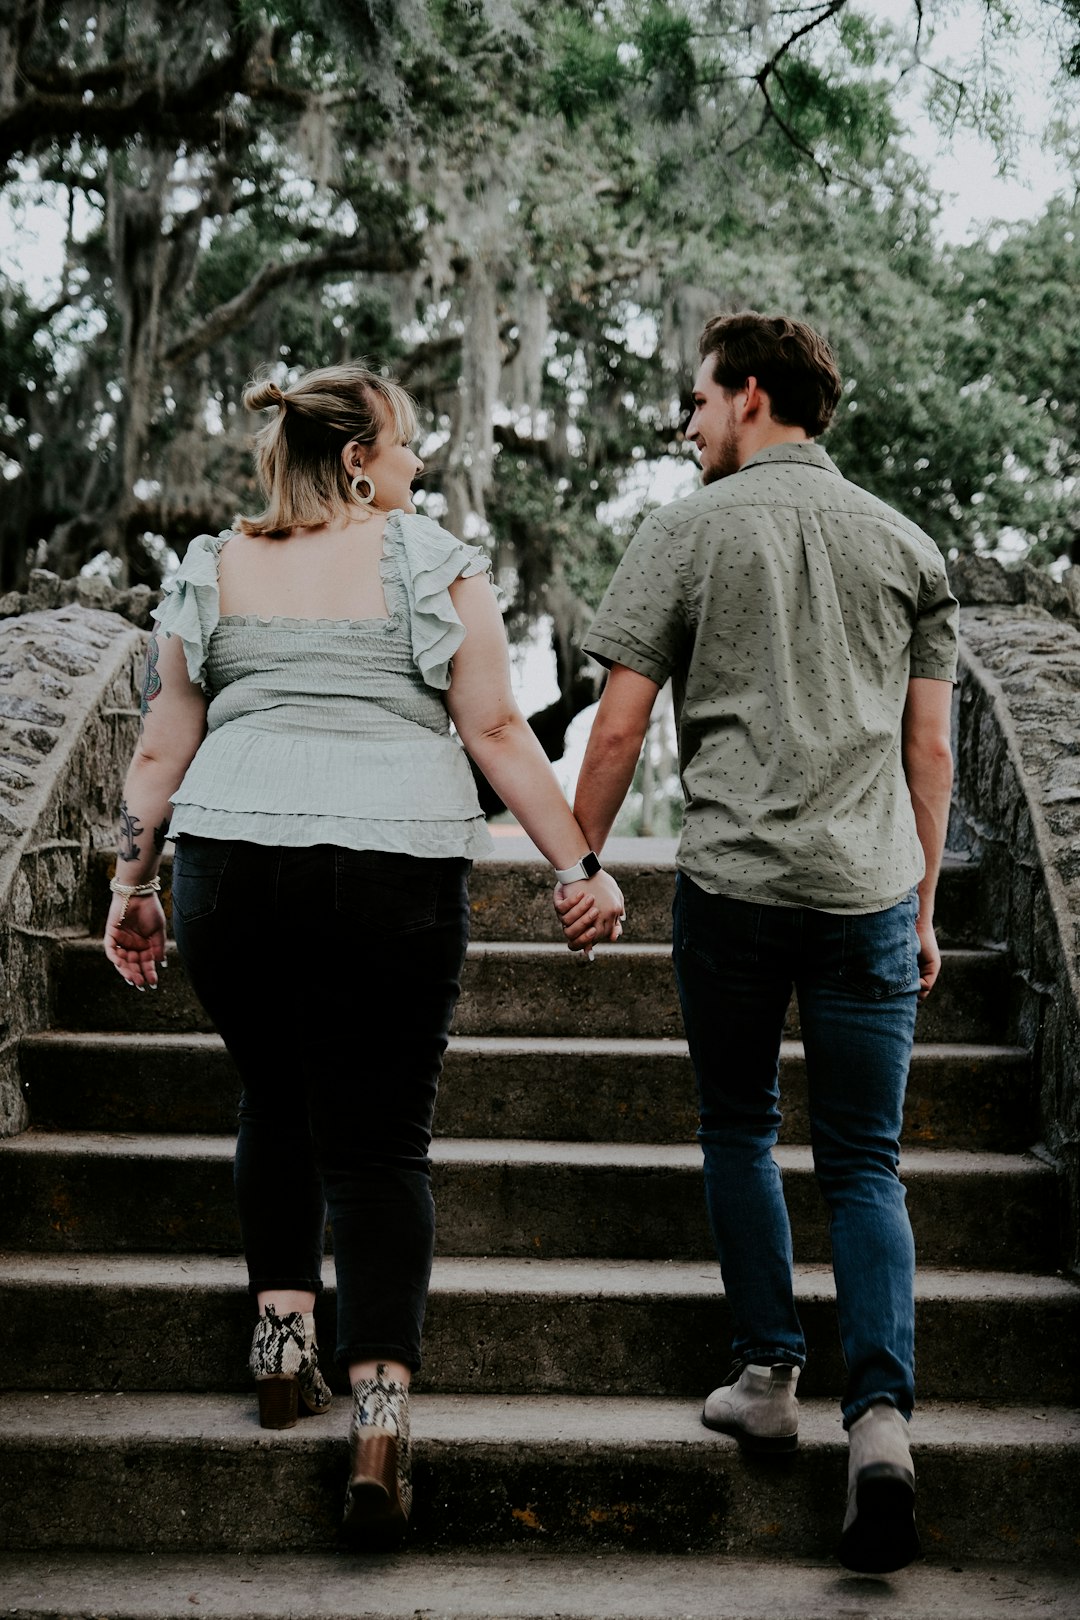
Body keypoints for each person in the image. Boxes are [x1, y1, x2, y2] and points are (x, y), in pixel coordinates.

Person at [103, 362, 624, 1540]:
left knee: (274, 1099)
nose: (419, 466)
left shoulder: (208, 569)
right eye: (404, 447)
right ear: (356, 460)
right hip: (388, 866)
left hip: (229, 864)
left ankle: (282, 1343)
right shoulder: (428, 558)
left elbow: (156, 755)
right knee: (381, 1143)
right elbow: (492, 725)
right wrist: (576, 865)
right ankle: (381, 1413)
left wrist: (132, 884)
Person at [556, 312, 957, 1574]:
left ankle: (769, 1374)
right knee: (865, 1164)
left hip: (731, 887)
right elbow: (930, 753)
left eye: (697, 402)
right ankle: (881, 1421)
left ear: (752, 396)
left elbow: (614, 733)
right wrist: (926, 904)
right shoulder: (905, 543)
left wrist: (579, 864)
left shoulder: (685, 532)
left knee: (737, 1125)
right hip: (868, 890)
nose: (687, 425)